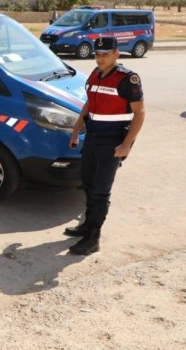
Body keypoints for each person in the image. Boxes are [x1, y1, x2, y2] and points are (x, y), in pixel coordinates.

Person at [66, 36, 145, 255]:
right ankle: (86, 226)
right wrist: (76, 130)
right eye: (97, 54)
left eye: (105, 54)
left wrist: (127, 145)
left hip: (112, 142)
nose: (100, 58)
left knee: (101, 190)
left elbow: (140, 113)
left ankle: (93, 238)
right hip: (92, 137)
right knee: (88, 183)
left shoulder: (127, 79)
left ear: (116, 54)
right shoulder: (95, 74)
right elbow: (90, 102)